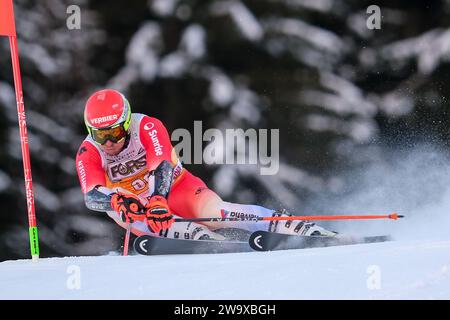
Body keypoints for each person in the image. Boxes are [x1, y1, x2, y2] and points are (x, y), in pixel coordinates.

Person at [76, 89, 336, 242]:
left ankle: (290, 225)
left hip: (178, 187)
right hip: (137, 207)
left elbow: (163, 163)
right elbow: (91, 194)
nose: (109, 141)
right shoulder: (88, 152)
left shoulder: (147, 126)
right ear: (91, 131)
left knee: (219, 213)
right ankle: (194, 234)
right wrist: (115, 202)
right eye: (101, 134)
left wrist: (157, 200)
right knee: (133, 212)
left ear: (127, 121)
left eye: (116, 132)